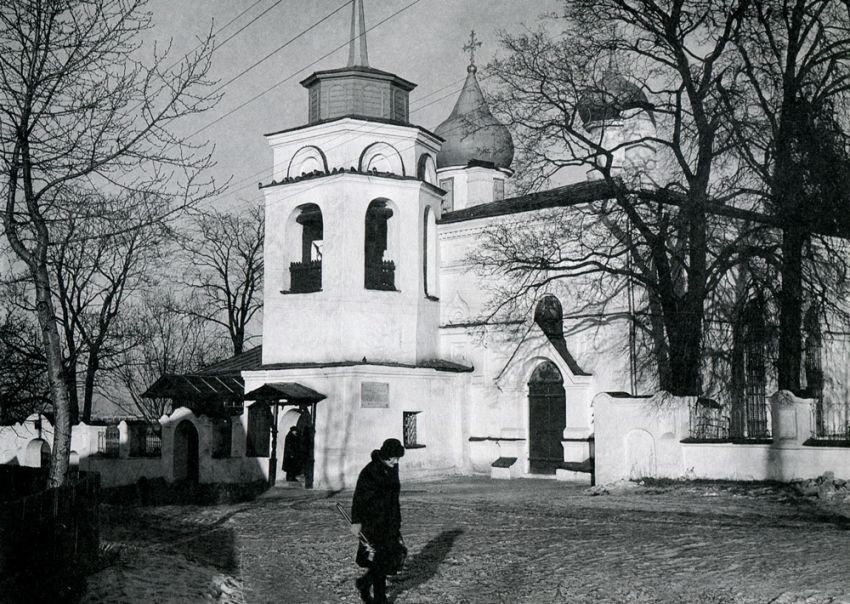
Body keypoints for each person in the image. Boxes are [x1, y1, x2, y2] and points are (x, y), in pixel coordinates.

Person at [350, 438, 407, 604]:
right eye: (394, 457)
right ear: (386, 455)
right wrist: (357, 521)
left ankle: (365, 583)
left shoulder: (391, 468)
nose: (396, 461)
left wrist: (396, 521)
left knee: (384, 560)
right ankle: (379, 597)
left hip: (389, 522)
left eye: (398, 458)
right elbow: (359, 498)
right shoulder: (371, 471)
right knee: (381, 560)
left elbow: (393, 498)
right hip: (373, 522)